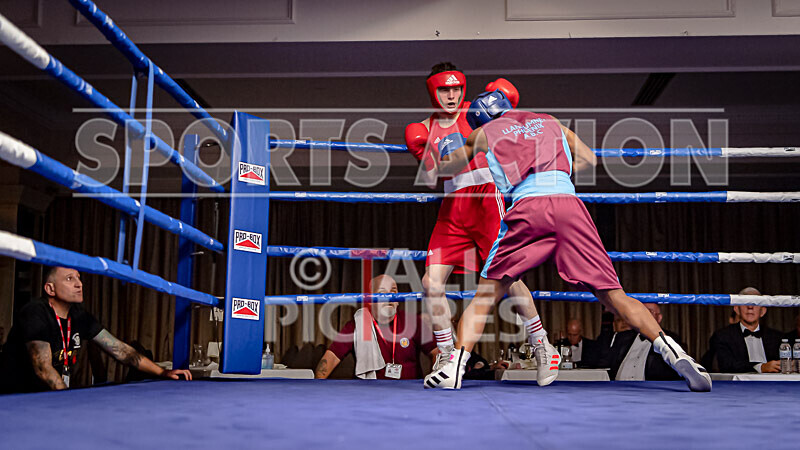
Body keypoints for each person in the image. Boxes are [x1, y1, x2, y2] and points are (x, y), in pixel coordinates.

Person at [423, 89, 711, 392]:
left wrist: (440, 149)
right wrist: (556, 174)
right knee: (614, 296)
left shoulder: (483, 132)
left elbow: (447, 168)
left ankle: (454, 367)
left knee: (485, 295)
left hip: (529, 206)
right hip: (569, 203)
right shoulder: (550, 121)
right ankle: (674, 351)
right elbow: (589, 160)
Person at [404, 62, 560, 386]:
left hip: (488, 199)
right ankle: (447, 354)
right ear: (433, 91)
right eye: (444, 89)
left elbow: (516, 124)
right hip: (453, 209)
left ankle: (542, 344)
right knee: (431, 282)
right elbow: (434, 174)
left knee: (508, 275)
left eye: (456, 88)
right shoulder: (423, 128)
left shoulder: (481, 109)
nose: (451, 94)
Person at [0, 266, 191, 393]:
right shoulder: (35, 312)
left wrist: (162, 373)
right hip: (15, 396)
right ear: (50, 289)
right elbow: (42, 367)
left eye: (79, 278)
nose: (79, 284)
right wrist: (66, 399)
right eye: (69, 279)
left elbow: (120, 350)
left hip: (47, 398)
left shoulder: (79, 316)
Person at [314, 275, 438, 380]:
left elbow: (437, 352)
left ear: (398, 299)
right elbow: (329, 360)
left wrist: (433, 381)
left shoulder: (413, 322)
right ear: (370, 300)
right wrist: (317, 393)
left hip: (410, 395)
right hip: (370, 395)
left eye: (393, 292)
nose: (389, 297)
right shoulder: (356, 325)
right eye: (382, 293)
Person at [709, 287, 783, 373]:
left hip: (774, 385)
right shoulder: (722, 336)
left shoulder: (777, 337)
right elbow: (726, 365)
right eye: (745, 302)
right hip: (739, 385)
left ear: (763, 311)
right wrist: (760, 367)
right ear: (737, 309)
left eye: (755, 303)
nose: (750, 307)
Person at [608, 304, 682, 381]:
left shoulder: (669, 339)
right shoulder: (623, 337)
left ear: (659, 318)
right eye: (641, 311)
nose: (644, 314)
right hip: (617, 387)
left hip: (648, 389)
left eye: (649, 311)